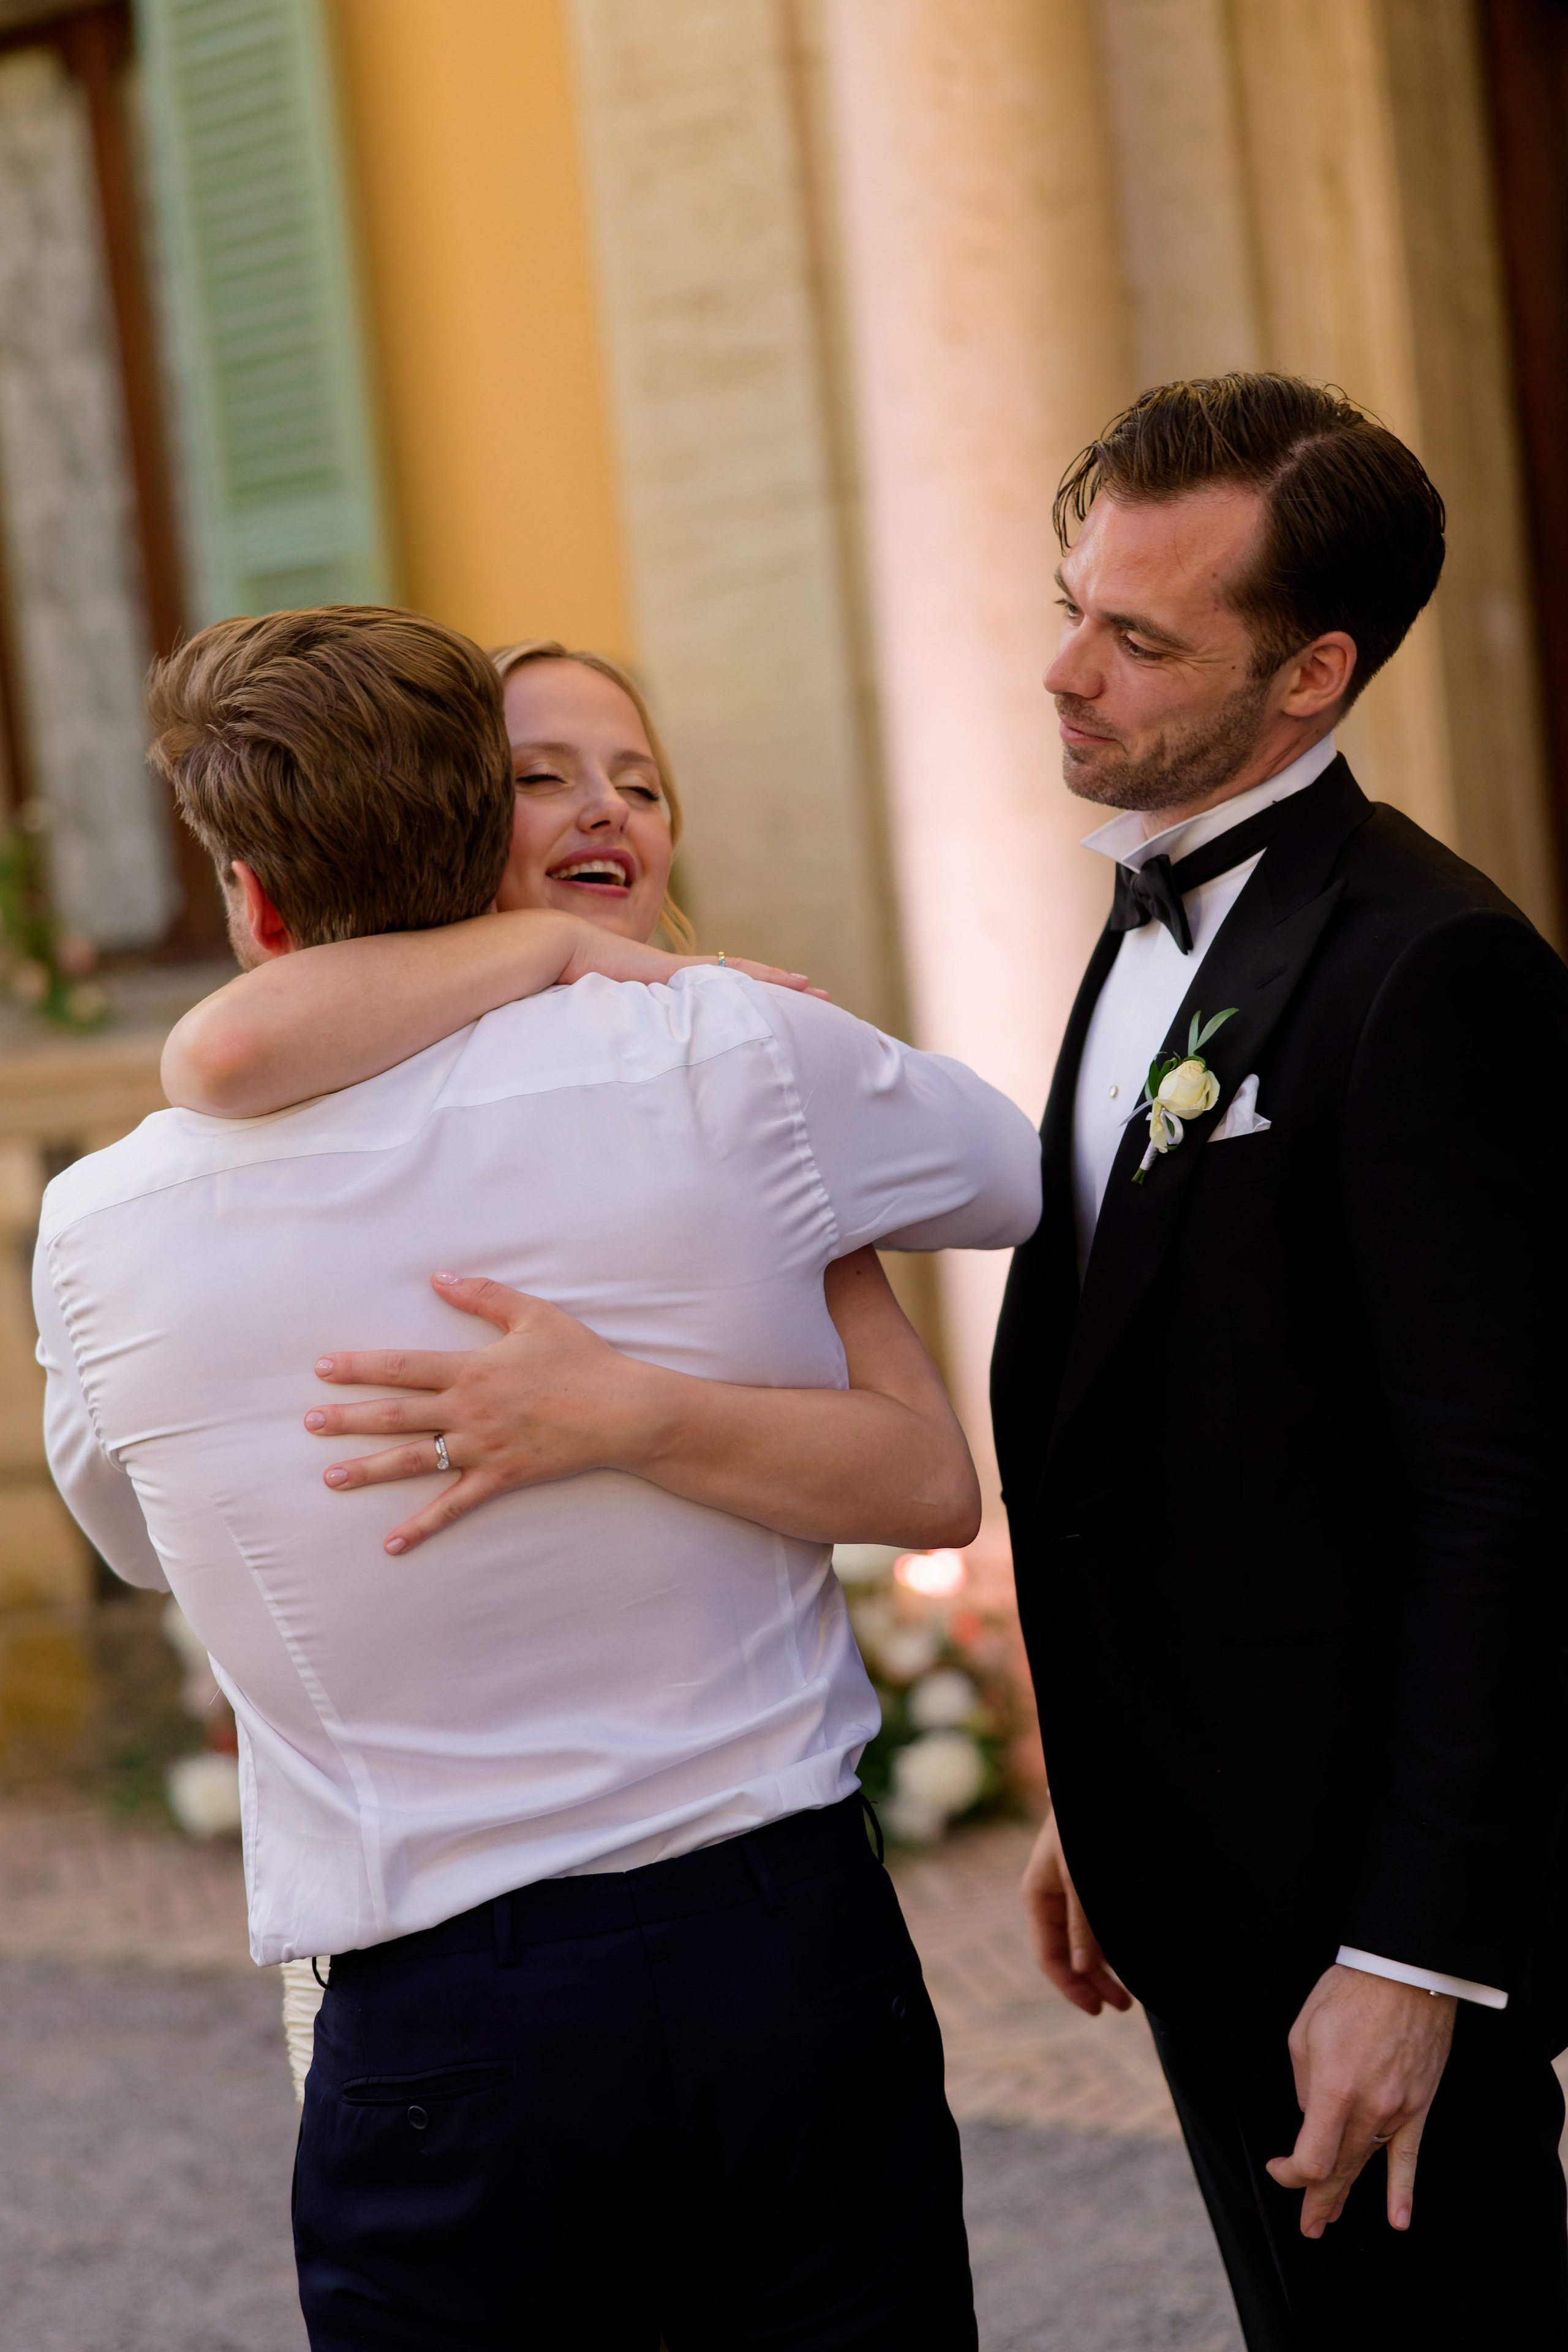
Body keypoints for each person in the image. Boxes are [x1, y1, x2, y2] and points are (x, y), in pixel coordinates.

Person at [39, 606, 1041, 2350]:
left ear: (254, 905)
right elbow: (1011, 1169)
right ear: (487, 841)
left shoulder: (100, 1227)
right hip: (779, 1961)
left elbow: (133, 1545)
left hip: (441, 2037)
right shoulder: (732, 1057)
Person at [990, 372, 1568, 2350]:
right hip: (1209, 1876)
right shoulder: (1147, 901)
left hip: (1367, 1929)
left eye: (1140, 639)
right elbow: (1157, 1399)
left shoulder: (1435, 965)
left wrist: (1421, 1951)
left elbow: (1511, 1501)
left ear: (1312, 674)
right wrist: (1097, 1782)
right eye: (1074, 602)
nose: (1066, 671)